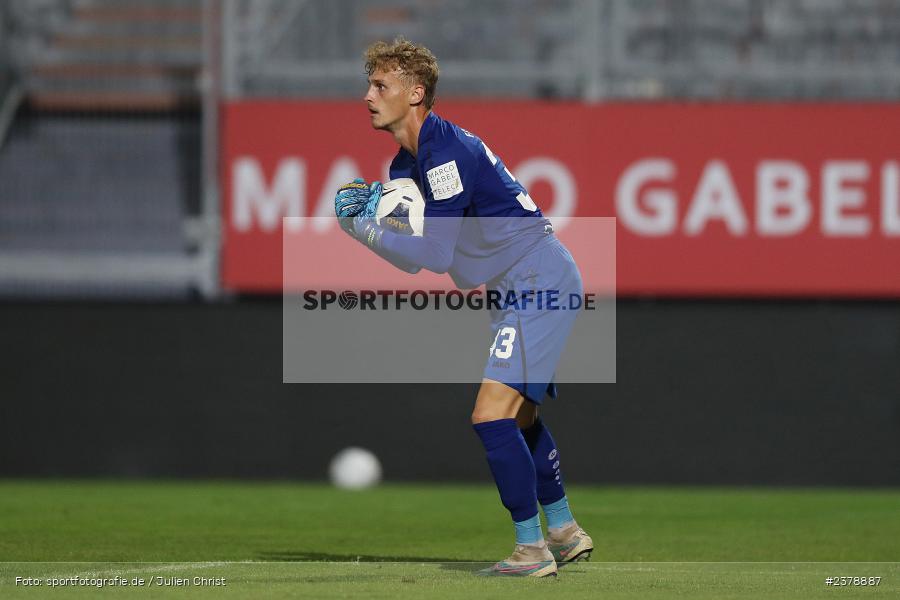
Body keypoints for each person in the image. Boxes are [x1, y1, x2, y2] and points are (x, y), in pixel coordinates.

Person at [333, 37, 592, 578]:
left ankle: (530, 549)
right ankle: (564, 530)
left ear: (416, 92)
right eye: (369, 84)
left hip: (536, 277)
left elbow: (434, 253)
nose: (368, 96)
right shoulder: (406, 168)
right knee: (520, 417)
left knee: (489, 414)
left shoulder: (446, 154)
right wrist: (376, 222)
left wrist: (364, 225)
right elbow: (413, 261)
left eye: (381, 85)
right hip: (518, 285)